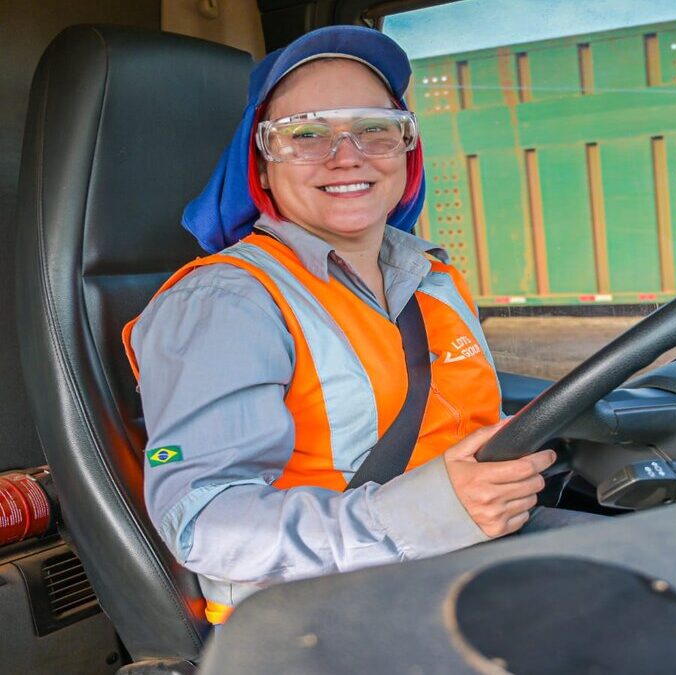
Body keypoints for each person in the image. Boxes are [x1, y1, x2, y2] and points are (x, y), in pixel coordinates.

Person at [122, 26, 556, 626]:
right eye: (305, 135)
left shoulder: (432, 277)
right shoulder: (227, 301)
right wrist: (427, 512)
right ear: (263, 169)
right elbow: (204, 525)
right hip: (329, 618)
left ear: (407, 150)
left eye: (374, 128)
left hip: (466, 564)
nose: (346, 155)